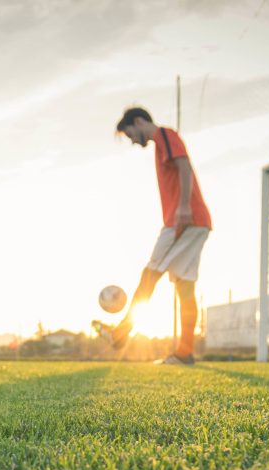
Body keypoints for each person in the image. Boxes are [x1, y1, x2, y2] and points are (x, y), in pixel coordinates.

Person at [95, 106, 212, 365]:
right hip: (196, 222)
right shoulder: (161, 145)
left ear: (139, 122)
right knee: (185, 287)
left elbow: (184, 167)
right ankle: (185, 353)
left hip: (184, 221)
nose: (134, 142)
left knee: (150, 273)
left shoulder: (166, 136)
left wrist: (183, 206)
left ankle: (120, 334)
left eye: (131, 135)